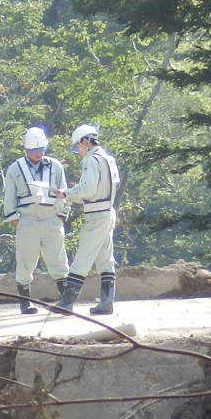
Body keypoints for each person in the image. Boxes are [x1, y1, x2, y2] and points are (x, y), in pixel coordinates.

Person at [0, 126, 70, 314]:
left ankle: (66, 301)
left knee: (58, 259)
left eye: (41, 150)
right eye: (33, 151)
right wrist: (14, 218)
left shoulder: (55, 166)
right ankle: (25, 303)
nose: (38, 154)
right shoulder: (15, 168)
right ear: (26, 150)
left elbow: (64, 190)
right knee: (25, 260)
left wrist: (62, 214)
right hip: (28, 220)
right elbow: (9, 196)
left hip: (51, 219)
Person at [60, 123, 123, 316]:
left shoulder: (91, 160)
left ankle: (66, 302)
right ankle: (106, 301)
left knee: (82, 258)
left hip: (96, 214)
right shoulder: (108, 159)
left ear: (85, 141)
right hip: (108, 212)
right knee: (105, 259)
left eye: (76, 146)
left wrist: (66, 194)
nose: (77, 151)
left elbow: (88, 190)